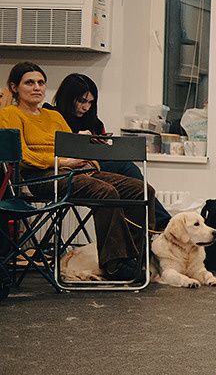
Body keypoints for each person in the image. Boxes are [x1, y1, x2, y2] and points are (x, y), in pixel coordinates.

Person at [0, 62, 155, 283]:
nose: (37, 87)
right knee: (105, 191)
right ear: (14, 87)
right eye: (29, 82)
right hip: (42, 177)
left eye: (41, 82)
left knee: (141, 189)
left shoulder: (53, 117)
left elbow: (75, 148)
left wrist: (89, 165)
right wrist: (65, 162)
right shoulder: (9, 114)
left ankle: (136, 258)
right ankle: (114, 264)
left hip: (75, 172)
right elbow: (23, 157)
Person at [50, 73, 171, 229]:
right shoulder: (52, 117)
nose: (86, 107)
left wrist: (100, 145)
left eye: (90, 102)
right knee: (127, 170)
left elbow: (104, 154)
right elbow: (51, 146)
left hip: (94, 166)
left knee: (134, 185)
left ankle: (148, 231)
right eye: (82, 101)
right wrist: (78, 140)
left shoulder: (93, 121)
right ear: (68, 98)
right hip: (71, 169)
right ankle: (163, 223)